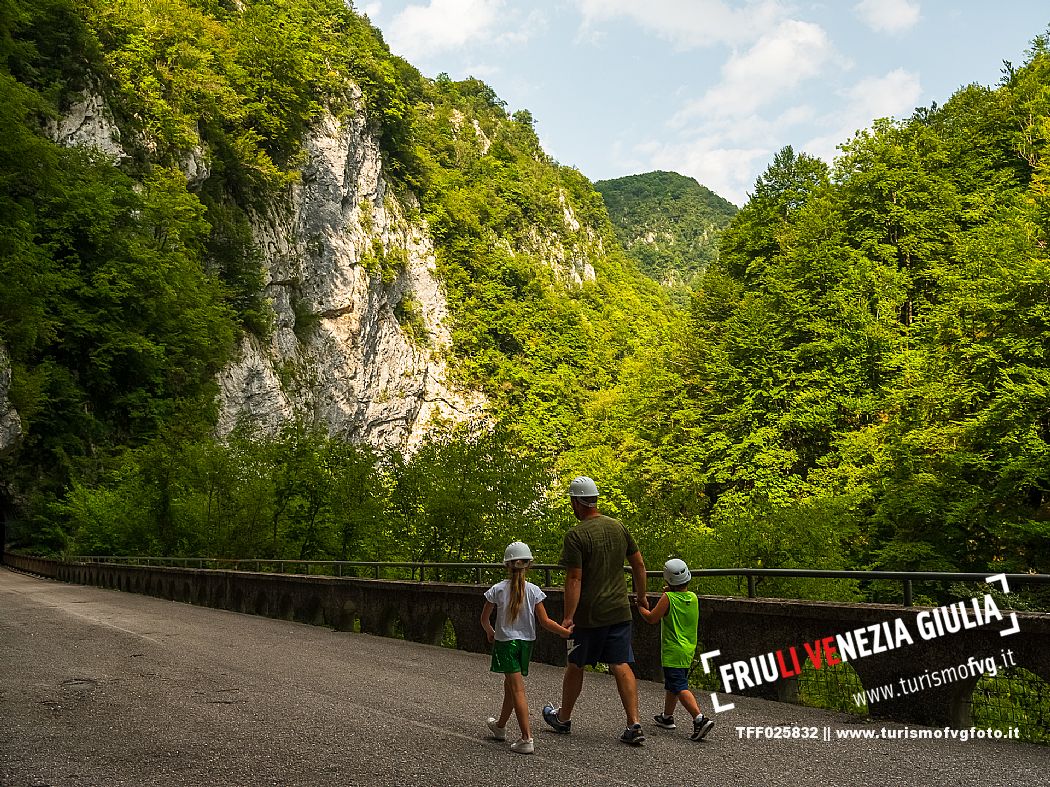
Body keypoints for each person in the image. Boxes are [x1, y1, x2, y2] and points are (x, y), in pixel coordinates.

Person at [541, 476, 650, 746]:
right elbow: (639, 565)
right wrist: (641, 597)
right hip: (619, 611)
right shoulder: (618, 527)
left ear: (577, 502)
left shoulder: (576, 535)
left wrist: (568, 616)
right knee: (620, 663)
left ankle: (563, 718)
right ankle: (633, 723)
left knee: (576, 664)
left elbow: (574, 579)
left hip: (589, 615)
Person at [481, 540, 574, 754]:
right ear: (529, 565)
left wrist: (490, 632)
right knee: (510, 686)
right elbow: (545, 621)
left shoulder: (497, 590)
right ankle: (500, 726)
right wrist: (565, 632)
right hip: (525, 644)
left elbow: (484, 618)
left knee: (517, 689)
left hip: (505, 643)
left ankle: (526, 738)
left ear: (507, 565)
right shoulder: (534, 590)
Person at [636, 558, 715, 741]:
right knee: (673, 683)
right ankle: (667, 717)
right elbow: (678, 600)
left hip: (672, 651)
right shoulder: (693, 598)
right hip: (688, 650)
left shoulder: (668, 598)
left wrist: (640, 607)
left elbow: (652, 618)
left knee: (679, 686)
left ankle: (699, 719)